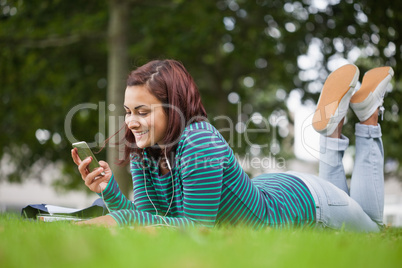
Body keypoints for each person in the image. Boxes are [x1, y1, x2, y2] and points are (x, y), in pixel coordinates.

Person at [71, 60, 393, 231]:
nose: (131, 122)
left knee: (373, 229)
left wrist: (119, 221)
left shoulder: (199, 141)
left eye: (143, 112)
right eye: (128, 112)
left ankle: (366, 118)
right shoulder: (144, 148)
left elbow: (195, 229)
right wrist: (109, 191)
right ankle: (338, 125)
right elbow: (145, 221)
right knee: (352, 208)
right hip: (274, 190)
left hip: (306, 204)